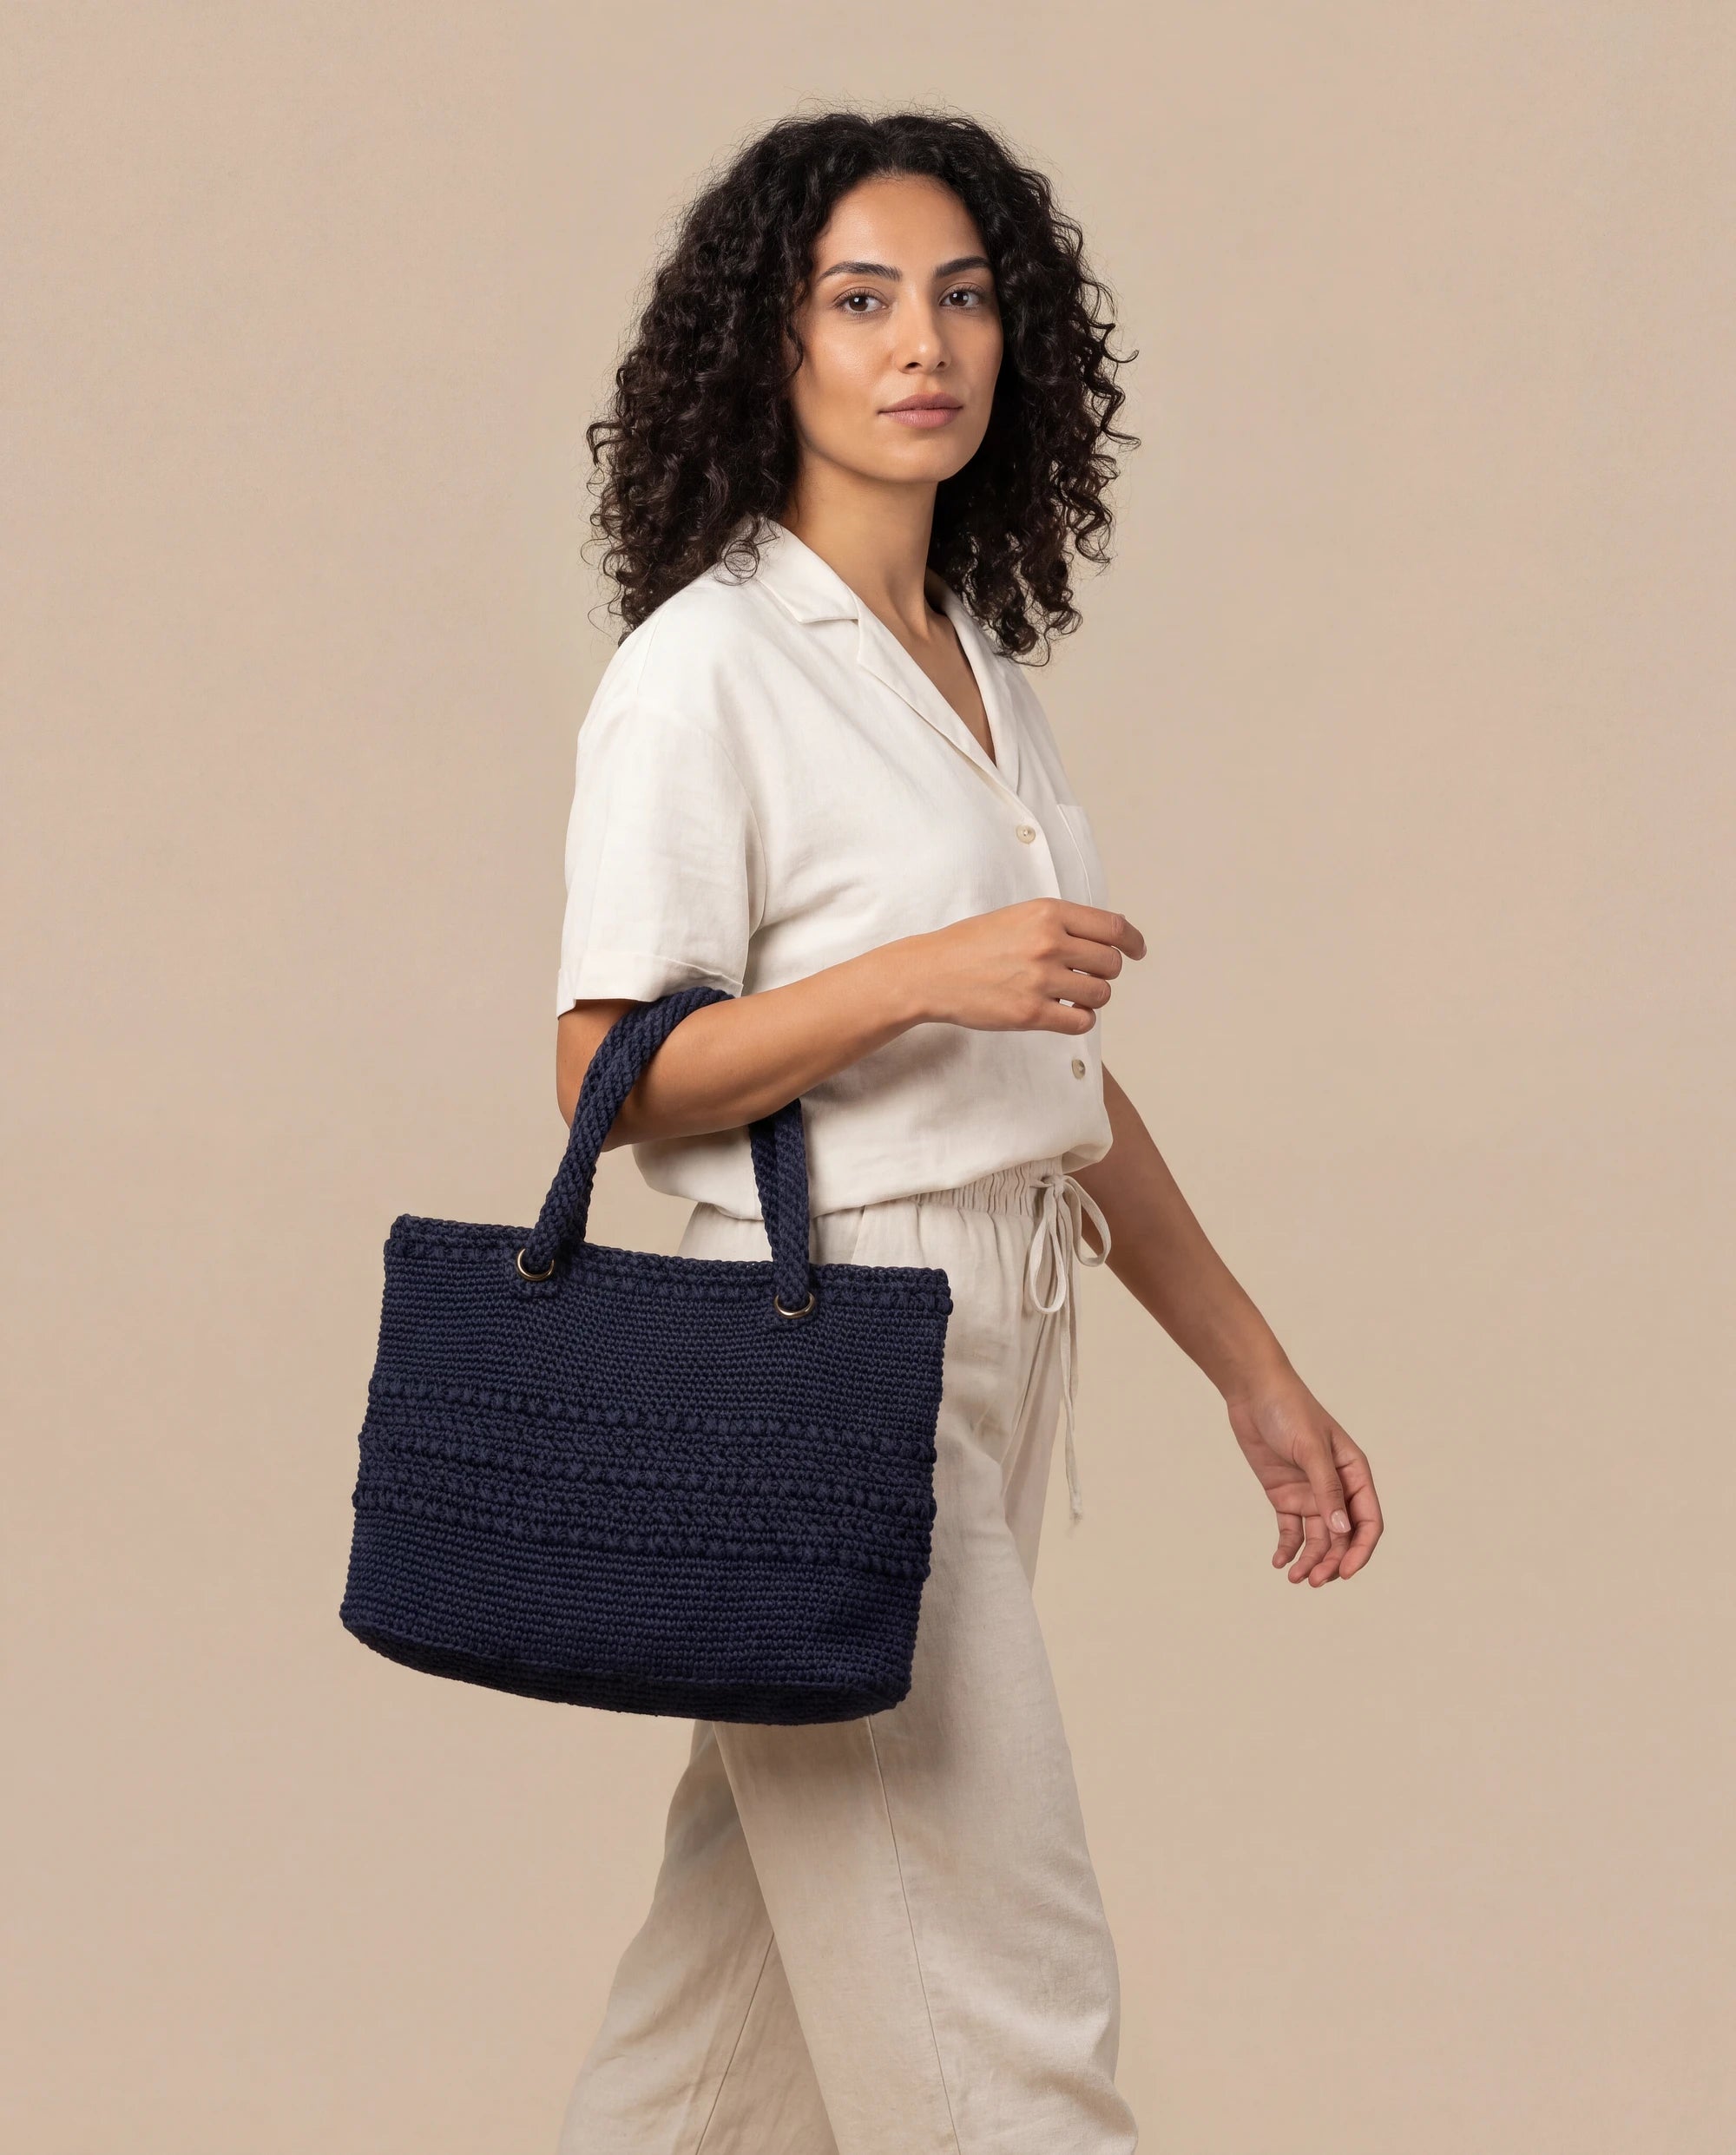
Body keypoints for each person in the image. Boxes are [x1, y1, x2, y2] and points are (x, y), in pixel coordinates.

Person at [551, 108, 1384, 2155]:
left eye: (963, 295)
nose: (921, 343)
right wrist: (916, 972)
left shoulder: (975, 672)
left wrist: (1251, 1370)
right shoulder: (705, 666)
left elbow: (1051, 1084)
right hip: (828, 1340)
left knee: (725, 2034)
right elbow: (603, 1074)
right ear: (769, 344)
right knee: (999, 2002)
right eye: (858, 300)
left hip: (995, 1326)